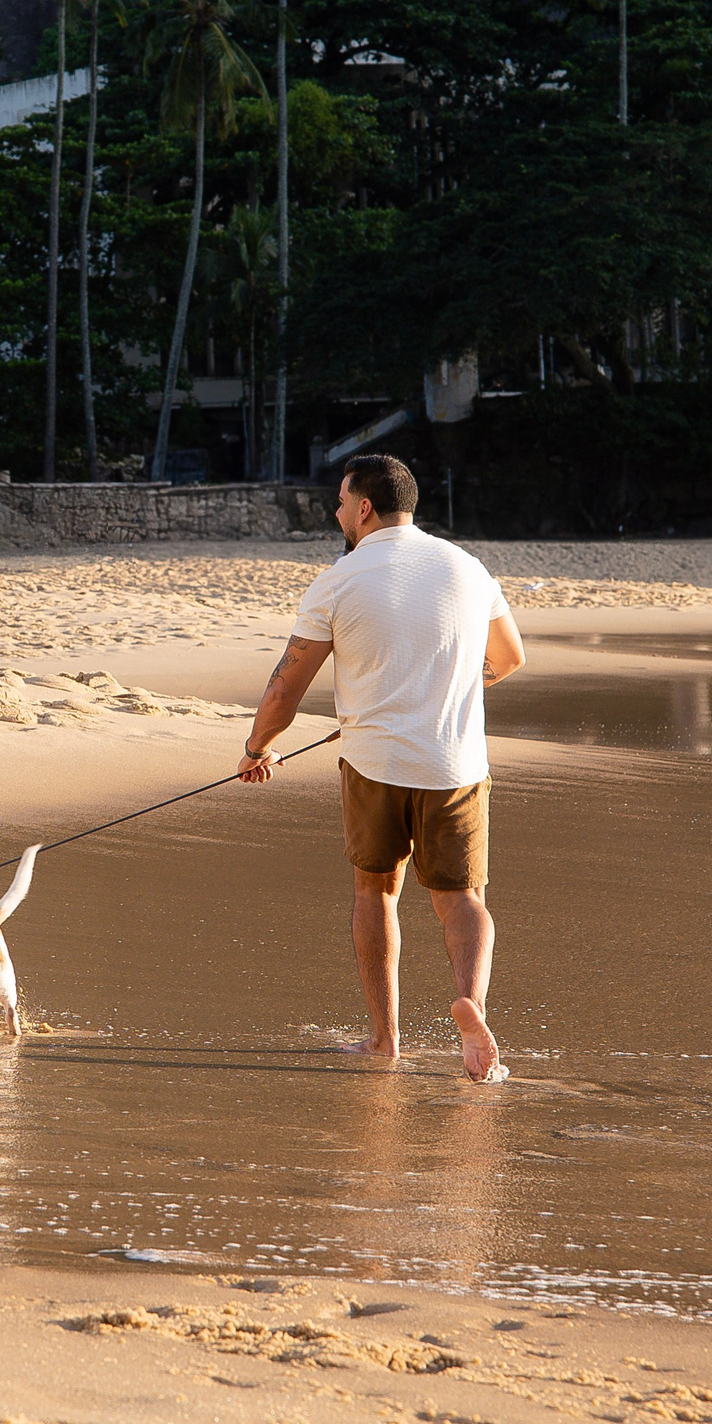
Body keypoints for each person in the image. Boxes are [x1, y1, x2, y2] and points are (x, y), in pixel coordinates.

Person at [238, 454, 525, 1079]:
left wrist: (258, 750)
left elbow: (283, 691)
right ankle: (470, 1008)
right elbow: (509, 657)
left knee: (377, 892)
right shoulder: (468, 568)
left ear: (364, 507)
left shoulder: (339, 580)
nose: (338, 513)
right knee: (462, 899)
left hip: (375, 764)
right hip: (454, 762)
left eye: (341, 503)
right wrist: (446, 690)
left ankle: (384, 1040)